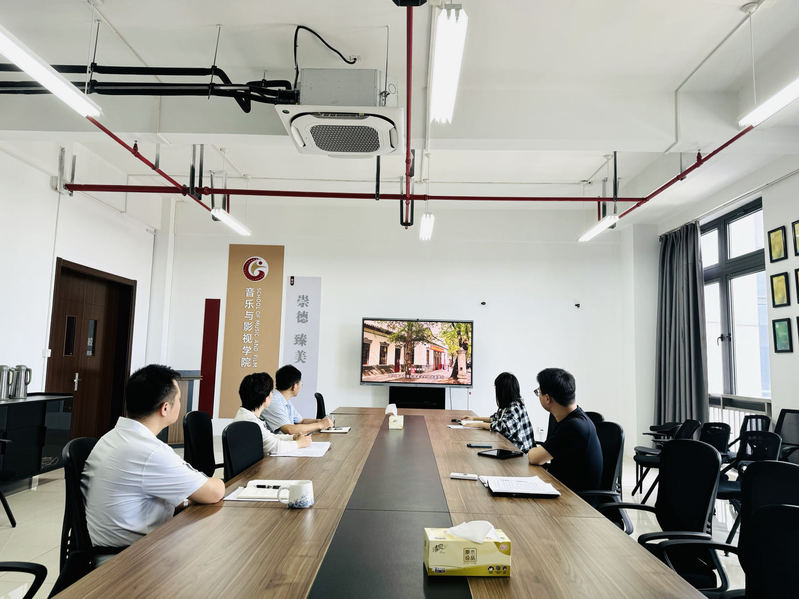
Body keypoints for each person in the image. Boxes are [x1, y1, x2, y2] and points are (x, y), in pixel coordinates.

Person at [83, 365, 225, 549]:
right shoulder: (150, 452)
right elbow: (214, 492)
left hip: (111, 545)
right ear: (165, 408)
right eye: (178, 399)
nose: (180, 404)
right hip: (132, 555)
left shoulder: (112, 437)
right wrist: (216, 483)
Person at [526, 367, 602, 492]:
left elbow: (535, 458)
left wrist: (534, 451)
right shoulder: (565, 417)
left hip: (574, 498)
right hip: (561, 486)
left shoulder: (573, 426)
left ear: (547, 398)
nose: (538, 395)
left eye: (538, 392)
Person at [233, 372, 311, 453]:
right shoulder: (250, 423)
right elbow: (274, 447)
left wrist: (293, 437)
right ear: (265, 399)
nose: (272, 395)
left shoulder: (247, 416)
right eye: (271, 392)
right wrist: (299, 443)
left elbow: (270, 437)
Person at [462, 372, 534, 453]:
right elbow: (495, 418)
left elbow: (502, 427)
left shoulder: (515, 407)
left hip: (520, 452)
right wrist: (474, 419)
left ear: (503, 390)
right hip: (509, 447)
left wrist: (478, 424)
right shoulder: (508, 404)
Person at [261, 365, 333, 434]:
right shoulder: (274, 401)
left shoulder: (284, 399)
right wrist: (320, 425)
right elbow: (289, 430)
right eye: (301, 384)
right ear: (294, 386)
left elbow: (301, 421)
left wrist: (320, 421)